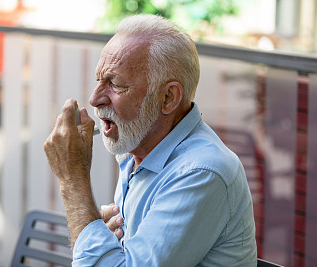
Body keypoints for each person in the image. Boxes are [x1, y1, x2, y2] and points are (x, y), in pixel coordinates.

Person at [44, 14, 257, 266]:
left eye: (116, 84)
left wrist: (73, 182)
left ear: (168, 97)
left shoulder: (201, 172)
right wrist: (99, 237)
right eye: (99, 80)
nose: (95, 98)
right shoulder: (140, 151)